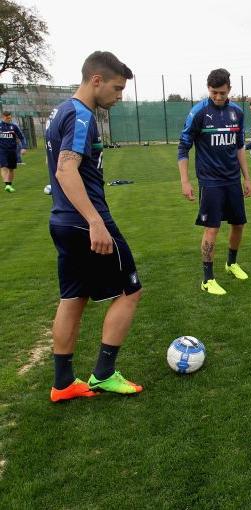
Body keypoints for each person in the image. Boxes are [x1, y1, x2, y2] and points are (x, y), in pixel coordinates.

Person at [45, 51, 143, 402]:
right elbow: (65, 170)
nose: (119, 96)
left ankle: (63, 383)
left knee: (73, 297)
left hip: (61, 220)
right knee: (130, 290)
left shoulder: (60, 111)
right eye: (116, 88)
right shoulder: (82, 115)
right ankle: (102, 374)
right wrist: (95, 221)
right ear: (95, 80)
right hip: (85, 222)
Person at [178, 68, 251, 296]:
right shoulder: (198, 112)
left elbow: (239, 147)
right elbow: (183, 147)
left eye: (222, 92)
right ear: (208, 89)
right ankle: (207, 279)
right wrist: (185, 181)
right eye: (213, 93)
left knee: (238, 224)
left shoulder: (237, 112)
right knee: (212, 229)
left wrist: (247, 178)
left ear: (229, 89)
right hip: (210, 181)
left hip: (232, 179)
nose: (218, 97)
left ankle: (231, 264)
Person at [1, 111, 27, 192]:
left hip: (12, 150)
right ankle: (7, 185)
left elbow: (22, 137)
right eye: (7, 118)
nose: (9, 119)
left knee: (11, 169)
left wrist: (24, 147)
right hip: (1, 150)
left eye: (10, 117)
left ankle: (9, 185)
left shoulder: (14, 126)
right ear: (3, 117)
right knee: (3, 167)